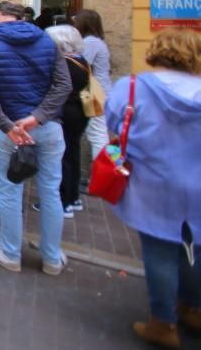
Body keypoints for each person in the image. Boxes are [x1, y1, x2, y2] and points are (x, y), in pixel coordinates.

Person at [106, 29, 201, 348]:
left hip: (153, 183)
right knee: (195, 249)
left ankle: (164, 322)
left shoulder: (133, 88)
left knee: (160, 251)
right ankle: (193, 308)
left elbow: (115, 124)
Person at [0, 1, 72, 275]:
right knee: (51, 191)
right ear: (22, 17)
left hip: (9, 128)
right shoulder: (47, 40)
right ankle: (52, 257)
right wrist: (38, 116)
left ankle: (10, 252)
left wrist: (7, 124)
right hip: (48, 126)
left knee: (9, 190)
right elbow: (63, 84)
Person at [41, 25, 90, 219]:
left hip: (66, 112)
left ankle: (63, 201)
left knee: (61, 158)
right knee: (72, 153)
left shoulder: (65, 63)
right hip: (79, 111)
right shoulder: (80, 60)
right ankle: (73, 197)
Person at [72, 9, 113, 159]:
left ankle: (102, 174)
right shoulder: (97, 42)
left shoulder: (90, 43)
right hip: (99, 89)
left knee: (98, 135)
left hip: (94, 91)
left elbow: (81, 64)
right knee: (99, 133)